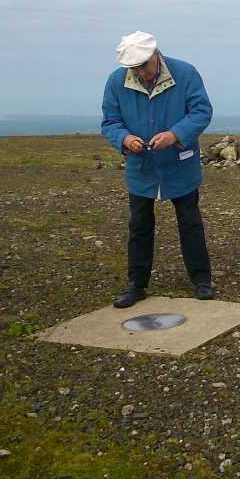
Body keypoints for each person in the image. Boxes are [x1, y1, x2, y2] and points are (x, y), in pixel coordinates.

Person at [101, 31, 215, 307]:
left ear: (156, 54)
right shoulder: (117, 81)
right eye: (134, 68)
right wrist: (125, 139)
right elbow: (110, 122)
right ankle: (136, 284)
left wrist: (175, 135)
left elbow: (201, 111)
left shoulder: (185, 73)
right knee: (139, 224)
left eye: (144, 65)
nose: (141, 72)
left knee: (189, 221)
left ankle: (202, 280)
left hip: (180, 163)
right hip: (141, 166)